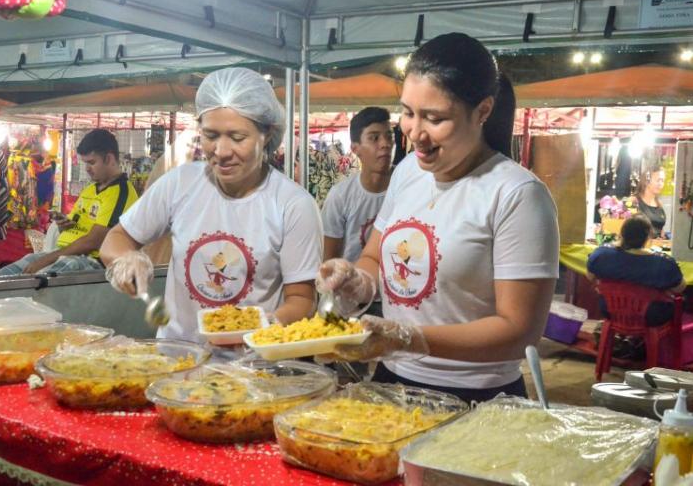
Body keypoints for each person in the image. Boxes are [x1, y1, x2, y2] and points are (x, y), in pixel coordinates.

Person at [316, 32, 560, 403]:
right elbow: (374, 256)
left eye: (435, 118)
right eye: (408, 113)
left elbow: (520, 331)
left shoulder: (516, 194)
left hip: (478, 396)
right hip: (391, 379)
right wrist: (358, 281)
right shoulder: (408, 173)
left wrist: (409, 337)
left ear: (483, 111)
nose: (415, 134)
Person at [99, 67, 322, 340]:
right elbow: (117, 238)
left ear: (267, 134)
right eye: (211, 136)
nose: (222, 152)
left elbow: (302, 299)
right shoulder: (180, 183)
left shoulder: (293, 205)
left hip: (253, 371)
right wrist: (126, 259)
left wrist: (260, 327)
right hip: (177, 361)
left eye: (237, 137)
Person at [0, 129, 138, 276]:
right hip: (61, 254)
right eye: (85, 163)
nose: (87, 169)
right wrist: (64, 224)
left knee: (38, 282)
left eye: (92, 162)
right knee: (3, 277)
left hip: (90, 261)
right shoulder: (90, 190)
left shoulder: (121, 193)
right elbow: (75, 224)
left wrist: (47, 259)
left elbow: (93, 241)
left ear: (109, 159)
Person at [322, 107, 393, 264]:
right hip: (351, 285)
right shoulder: (340, 196)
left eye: (389, 136)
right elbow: (329, 260)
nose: (385, 144)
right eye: (374, 138)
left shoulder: (406, 189)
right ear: (355, 149)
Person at [587, 214, 685, 326]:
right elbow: (680, 288)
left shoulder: (601, 254)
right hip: (650, 316)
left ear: (622, 234)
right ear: (648, 236)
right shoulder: (664, 263)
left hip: (610, 310)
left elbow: (590, 277)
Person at [634, 164, 667, 238]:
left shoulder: (659, 205)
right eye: (658, 180)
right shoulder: (634, 202)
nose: (661, 184)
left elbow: (660, 229)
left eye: (663, 181)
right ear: (646, 181)